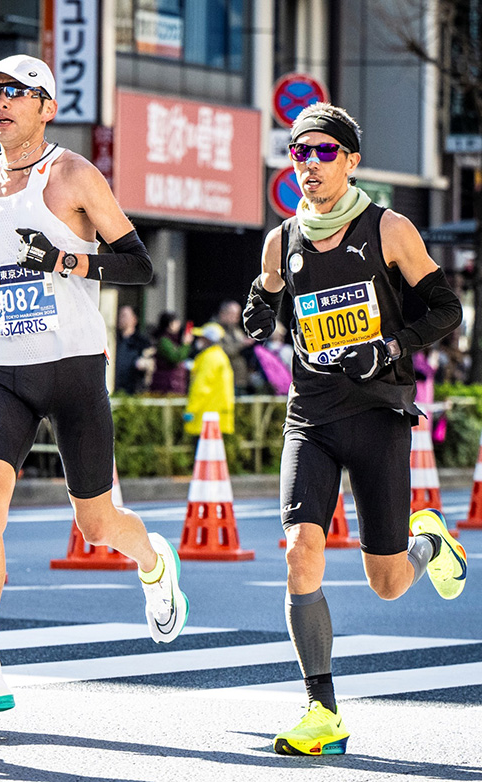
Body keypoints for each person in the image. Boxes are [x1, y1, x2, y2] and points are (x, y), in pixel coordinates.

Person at [0, 55, 189, 719]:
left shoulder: (73, 174)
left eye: (16, 93)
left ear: (47, 106)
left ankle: (154, 563)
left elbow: (139, 267)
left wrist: (67, 259)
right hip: (6, 373)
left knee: (97, 522)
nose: (1, 104)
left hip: (75, 369)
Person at [242, 102, 465, 756]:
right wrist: (259, 314)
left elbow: (446, 309)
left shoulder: (388, 229)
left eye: (323, 152)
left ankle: (429, 542)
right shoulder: (282, 238)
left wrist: (389, 349)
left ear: (351, 160)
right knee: (299, 551)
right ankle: (322, 710)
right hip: (310, 418)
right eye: (299, 153)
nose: (309, 165)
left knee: (388, 583)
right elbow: (267, 294)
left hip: (378, 416)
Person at [183, 322, 234, 436]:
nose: (199, 340)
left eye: (202, 337)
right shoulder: (220, 356)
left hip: (205, 416)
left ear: (208, 339)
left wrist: (191, 410)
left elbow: (201, 387)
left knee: (203, 452)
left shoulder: (209, 358)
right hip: (216, 416)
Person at [215, 299, 253, 395]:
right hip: (223, 379)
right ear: (223, 314)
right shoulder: (214, 330)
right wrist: (242, 344)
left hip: (239, 379)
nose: (237, 319)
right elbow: (220, 351)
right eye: (233, 315)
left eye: (237, 315)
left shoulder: (236, 329)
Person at [149, 311, 192, 394]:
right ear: (169, 325)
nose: (179, 324)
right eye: (176, 322)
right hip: (167, 384)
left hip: (173, 383)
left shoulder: (173, 340)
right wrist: (186, 344)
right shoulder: (164, 341)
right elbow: (175, 357)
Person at [115, 304, 153, 394]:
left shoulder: (142, 342)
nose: (121, 319)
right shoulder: (114, 341)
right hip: (116, 388)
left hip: (134, 389)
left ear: (134, 319)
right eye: (120, 316)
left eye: (125, 316)